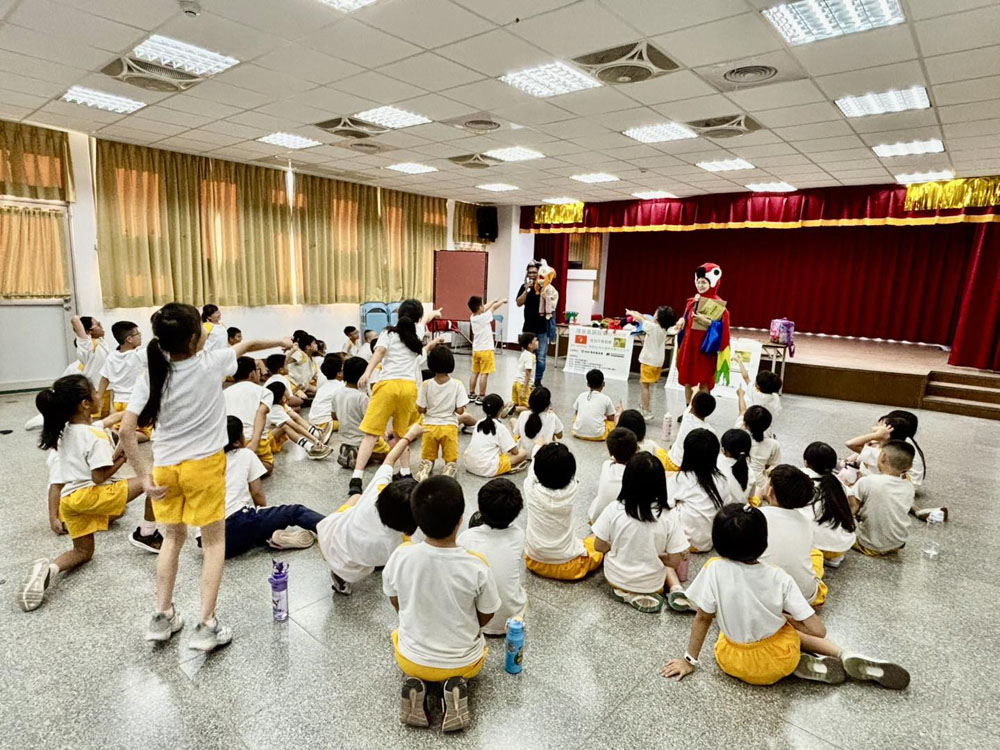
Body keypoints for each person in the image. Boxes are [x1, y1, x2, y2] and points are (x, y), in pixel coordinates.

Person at [120, 302, 290, 651]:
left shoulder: (151, 375)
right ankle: (207, 624)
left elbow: (125, 431)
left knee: (172, 538)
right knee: (213, 544)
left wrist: (144, 476)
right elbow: (248, 344)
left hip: (166, 468)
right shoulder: (212, 363)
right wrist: (280, 342)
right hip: (204, 467)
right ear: (194, 338)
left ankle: (162, 616)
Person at [661, 504, 910, 689]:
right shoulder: (778, 577)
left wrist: (689, 661)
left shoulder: (713, 569)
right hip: (779, 656)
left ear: (719, 542)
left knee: (729, 631)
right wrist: (791, 621)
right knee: (788, 631)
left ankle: (795, 667)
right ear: (764, 542)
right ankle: (840, 654)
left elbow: (703, 618)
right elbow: (818, 630)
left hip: (732, 661)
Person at [17, 375, 157, 611]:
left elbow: (61, 479)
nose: (99, 395)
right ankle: (148, 533)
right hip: (90, 495)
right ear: (85, 404)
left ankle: (49, 569)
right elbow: (98, 477)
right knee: (152, 480)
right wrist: (122, 459)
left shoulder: (65, 432)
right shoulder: (95, 436)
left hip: (69, 502)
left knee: (83, 552)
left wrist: (53, 515)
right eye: (95, 393)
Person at [383, 476, 501, 732]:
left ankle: (418, 683)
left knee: (399, 635)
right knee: (476, 648)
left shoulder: (401, 556)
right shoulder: (476, 564)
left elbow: (396, 602)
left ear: (416, 520)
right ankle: (456, 686)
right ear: (460, 520)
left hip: (411, 659)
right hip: (464, 662)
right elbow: (487, 613)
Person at [317, 424, 422, 596]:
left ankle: (339, 577)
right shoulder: (400, 544)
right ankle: (343, 575)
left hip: (328, 536)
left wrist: (409, 435)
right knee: (375, 560)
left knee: (357, 497)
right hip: (352, 566)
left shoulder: (377, 491)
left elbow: (390, 459)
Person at [352, 299, 442, 495]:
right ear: (417, 317)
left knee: (371, 434)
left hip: (387, 386)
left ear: (399, 313)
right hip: (409, 388)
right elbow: (424, 320)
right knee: (403, 434)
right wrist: (434, 313)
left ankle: (357, 478)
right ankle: (406, 472)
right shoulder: (417, 333)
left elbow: (380, 352)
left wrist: (367, 372)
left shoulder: (388, 332)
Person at [593, 452, 690, 614]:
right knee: (665, 562)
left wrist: (617, 546)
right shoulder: (669, 516)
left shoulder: (614, 509)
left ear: (627, 480)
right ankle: (676, 589)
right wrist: (656, 555)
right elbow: (674, 561)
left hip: (615, 578)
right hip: (652, 585)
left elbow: (598, 546)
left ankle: (626, 594)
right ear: (661, 484)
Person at [219, 417, 323, 558]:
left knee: (249, 530)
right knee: (295, 511)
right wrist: (262, 514)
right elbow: (257, 492)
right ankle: (332, 528)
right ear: (237, 442)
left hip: (212, 541)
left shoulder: (207, 462)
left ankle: (269, 537)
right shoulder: (245, 454)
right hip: (238, 521)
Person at [523, 442, 603, 580]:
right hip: (570, 566)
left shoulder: (529, 488)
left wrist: (537, 447)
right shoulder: (573, 489)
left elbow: (533, 470)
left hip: (533, 560)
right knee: (600, 539)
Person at [457, 478, 526, 636]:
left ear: (480, 508)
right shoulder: (519, 535)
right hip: (513, 619)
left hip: (478, 621)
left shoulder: (465, 538)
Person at [758, 465, 827, 606]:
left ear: (770, 491)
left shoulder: (758, 516)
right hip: (804, 597)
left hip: (763, 596)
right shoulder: (806, 522)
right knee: (816, 555)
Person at [668, 263, 730, 404]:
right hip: (689, 348)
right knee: (688, 379)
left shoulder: (720, 306)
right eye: (698, 282)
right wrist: (682, 320)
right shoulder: (692, 302)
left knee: (703, 380)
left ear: (712, 283)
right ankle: (688, 409)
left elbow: (724, 333)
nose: (700, 285)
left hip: (704, 351)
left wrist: (707, 322)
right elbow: (686, 317)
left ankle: (701, 411)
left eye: (703, 282)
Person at [667, 429, 731, 552]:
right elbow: (726, 507)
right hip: (708, 542)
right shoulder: (722, 480)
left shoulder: (682, 478)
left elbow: (664, 503)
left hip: (683, 542)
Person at [850, 440, 916, 556]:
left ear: (883, 457)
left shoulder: (868, 481)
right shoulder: (909, 487)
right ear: (910, 466)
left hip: (870, 545)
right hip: (898, 542)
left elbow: (852, 510)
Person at [416, 346, 472, 482]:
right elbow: (460, 411)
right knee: (450, 457)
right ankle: (449, 468)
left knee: (428, 456)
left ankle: (426, 468)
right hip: (449, 426)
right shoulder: (457, 384)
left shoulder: (426, 385)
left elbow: (420, 409)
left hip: (429, 426)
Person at [801, 442, 856, 568]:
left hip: (816, 546)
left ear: (805, 462)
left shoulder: (801, 476)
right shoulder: (836, 481)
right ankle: (833, 558)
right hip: (841, 547)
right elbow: (853, 504)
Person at [96, 320, 151, 443]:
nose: (140, 336)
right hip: (136, 402)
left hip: (118, 402)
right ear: (129, 339)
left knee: (120, 427)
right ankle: (122, 439)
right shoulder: (139, 355)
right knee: (144, 433)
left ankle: (112, 436)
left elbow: (104, 379)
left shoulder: (111, 357)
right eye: (138, 333)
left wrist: (99, 396)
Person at [334, 356, 390, 470]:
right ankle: (361, 454)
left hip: (345, 437)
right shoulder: (362, 397)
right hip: (362, 439)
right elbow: (371, 422)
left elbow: (333, 415)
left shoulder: (337, 393)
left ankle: (348, 450)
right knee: (388, 453)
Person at [224, 356, 276, 475]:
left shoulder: (224, 393)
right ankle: (243, 469)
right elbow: (261, 414)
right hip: (251, 439)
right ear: (252, 374)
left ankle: (232, 465)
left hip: (230, 441)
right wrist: (255, 441)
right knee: (268, 465)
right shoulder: (265, 392)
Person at [625, 305, 676, 420]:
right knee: (647, 386)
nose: (653, 315)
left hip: (648, 361)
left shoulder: (652, 327)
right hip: (657, 362)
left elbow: (641, 319)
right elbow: (645, 318)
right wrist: (636, 312)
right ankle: (643, 405)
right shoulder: (663, 328)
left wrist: (630, 313)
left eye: (655, 313)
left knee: (644, 386)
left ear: (658, 318)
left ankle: (646, 410)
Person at [464, 394, 529, 477]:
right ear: (501, 409)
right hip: (487, 468)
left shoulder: (479, 423)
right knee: (523, 453)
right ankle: (509, 467)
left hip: (469, 464)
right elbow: (515, 451)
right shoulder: (500, 427)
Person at [264, 381, 332, 460]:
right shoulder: (275, 410)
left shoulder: (282, 405)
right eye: (286, 389)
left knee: (293, 416)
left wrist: (313, 427)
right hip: (266, 441)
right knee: (285, 427)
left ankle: (317, 434)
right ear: (283, 398)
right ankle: (310, 448)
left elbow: (297, 418)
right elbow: (296, 426)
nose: (288, 390)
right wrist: (315, 440)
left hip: (272, 435)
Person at [587, 427, 638, 524]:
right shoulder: (637, 473)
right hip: (621, 524)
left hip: (596, 520)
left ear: (610, 453)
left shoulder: (606, 465)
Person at [515, 262, 550, 385]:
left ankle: (537, 381)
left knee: (541, 358)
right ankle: (526, 381)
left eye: (534, 272)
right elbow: (519, 303)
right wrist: (526, 290)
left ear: (539, 273)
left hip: (542, 328)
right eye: (530, 272)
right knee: (526, 356)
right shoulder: (524, 287)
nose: (532, 275)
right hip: (528, 329)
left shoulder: (545, 287)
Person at [467, 295, 506, 404]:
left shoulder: (473, 317)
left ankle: (471, 394)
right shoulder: (484, 317)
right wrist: (501, 301)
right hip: (486, 350)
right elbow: (493, 308)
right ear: (480, 307)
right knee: (484, 374)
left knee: (475, 372)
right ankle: (482, 396)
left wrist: (493, 300)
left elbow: (484, 308)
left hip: (476, 350)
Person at [666, 391, 717, 471]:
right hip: (690, 470)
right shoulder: (710, 431)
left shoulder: (687, 417)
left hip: (672, 462)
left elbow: (692, 400)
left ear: (692, 408)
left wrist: (695, 389)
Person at [71, 315, 111, 416]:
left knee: (106, 416)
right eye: (98, 325)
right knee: (94, 418)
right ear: (88, 331)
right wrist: (81, 320)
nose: (101, 327)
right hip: (94, 390)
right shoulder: (87, 345)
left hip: (106, 387)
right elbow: (75, 320)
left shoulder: (101, 342)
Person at [741, 405, 781, 497]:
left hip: (739, 480)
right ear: (768, 426)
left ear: (745, 424)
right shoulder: (774, 444)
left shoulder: (740, 438)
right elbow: (774, 466)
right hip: (760, 484)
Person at [512, 386, 563, 456]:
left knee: (513, 420)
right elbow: (560, 436)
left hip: (523, 454)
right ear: (548, 404)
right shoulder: (552, 416)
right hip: (542, 456)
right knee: (553, 436)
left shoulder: (523, 414)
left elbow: (517, 433)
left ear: (530, 402)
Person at [736, 362, 782, 436]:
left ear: (757, 386)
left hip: (752, 429)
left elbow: (746, 378)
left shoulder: (756, 394)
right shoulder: (776, 397)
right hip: (767, 430)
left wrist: (740, 362)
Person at [308, 355, 344, 444]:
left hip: (312, 421)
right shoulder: (341, 387)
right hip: (325, 422)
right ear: (339, 373)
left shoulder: (324, 386)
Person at [572, 369, 616, 441]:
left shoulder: (581, 395)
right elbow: (611, 418)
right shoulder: (606, 399)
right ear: (603, 383)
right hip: (598, 435)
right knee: (611, 423)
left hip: (577, 432)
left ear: (588, 384)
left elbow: (576, 413)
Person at [505, 333, 538, 417]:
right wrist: (524, 390)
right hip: (523, 385)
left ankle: (509, 406)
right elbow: (528, 373)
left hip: (516, 383)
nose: (538, 342)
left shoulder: (524, 353)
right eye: (535, 341)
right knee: (529, 407)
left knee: (517, 402)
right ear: (530, 345)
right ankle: (513, 409)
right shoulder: (530, 356)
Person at [718, 428, 754, 505]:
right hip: (739, 510)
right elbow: (751, 496)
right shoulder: (750, 472)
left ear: (724, 450)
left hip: (721, 509)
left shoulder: (717, 462)